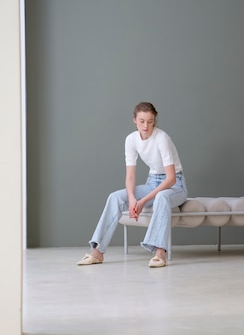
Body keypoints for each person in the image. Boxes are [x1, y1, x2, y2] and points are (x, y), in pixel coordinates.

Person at [77, 102, 188, 268]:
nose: (146, 125)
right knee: (115, 197)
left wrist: (142, 201)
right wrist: (132, 198)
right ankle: (98, 251)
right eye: (142, 121)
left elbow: (171, 178)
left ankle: (160, 251)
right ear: (134, 120)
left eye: (150, 121)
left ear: (154, 121)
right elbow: (130, 175)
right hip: (152, 182)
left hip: (175, 186)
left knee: (162, 197)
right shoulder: (131, 139)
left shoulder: (162, 138)